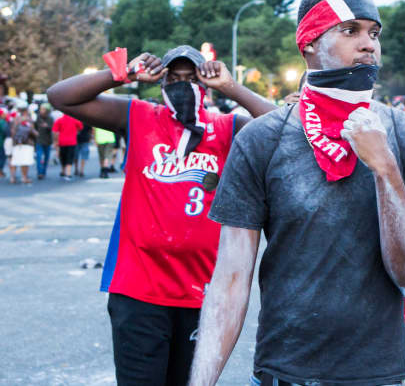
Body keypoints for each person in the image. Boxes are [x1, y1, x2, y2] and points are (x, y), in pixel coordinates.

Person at [189, 0, 405, 386]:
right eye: (350, 30)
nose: (368, 44)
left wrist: (385, 169)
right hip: (284, 373)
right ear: (309, 43)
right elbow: (230, 281)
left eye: (374, 33)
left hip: (377, 376)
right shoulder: (262, 139)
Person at [47, 45, 275, 386]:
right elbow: (59, 97)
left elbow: (283, 127)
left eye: (191, 78)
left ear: (205, 84)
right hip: (139, 289)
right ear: (161, 83)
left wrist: (231, 87)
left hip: (203, 290)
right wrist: (119, 74)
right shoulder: (138, 116)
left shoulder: (227, 128)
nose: (182, 85)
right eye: (173, 77)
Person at [9, 104, 37, 184]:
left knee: (14, 160)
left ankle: (12, 177)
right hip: (27, 142)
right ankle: (24, 177)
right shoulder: (28, 119)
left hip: (16, 142)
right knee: (25, 161)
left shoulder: (15, 119)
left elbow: (12, 131)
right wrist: (36, 134)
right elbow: (32, 131)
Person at [52, 112, 82, 181]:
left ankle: (63, 171)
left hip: (62, 142)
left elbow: (55, 131)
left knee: (63, 157)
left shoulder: (59, 120)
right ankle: (68, 173)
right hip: (72, 142)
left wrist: (55, 141)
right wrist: (75, 130)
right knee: (70, 157)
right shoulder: (74, 120)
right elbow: (80, 127)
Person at [34, 103, 54, 179]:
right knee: (39, 156)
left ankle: (44, 172)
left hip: (48, 140)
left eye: (43, 109)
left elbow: (52, 128)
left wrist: (47, 126)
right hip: (39, 140)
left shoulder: (50, 118)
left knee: (46, 157)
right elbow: (35, 127)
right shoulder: (38, 118)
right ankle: (40, 172)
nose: (41, 110)